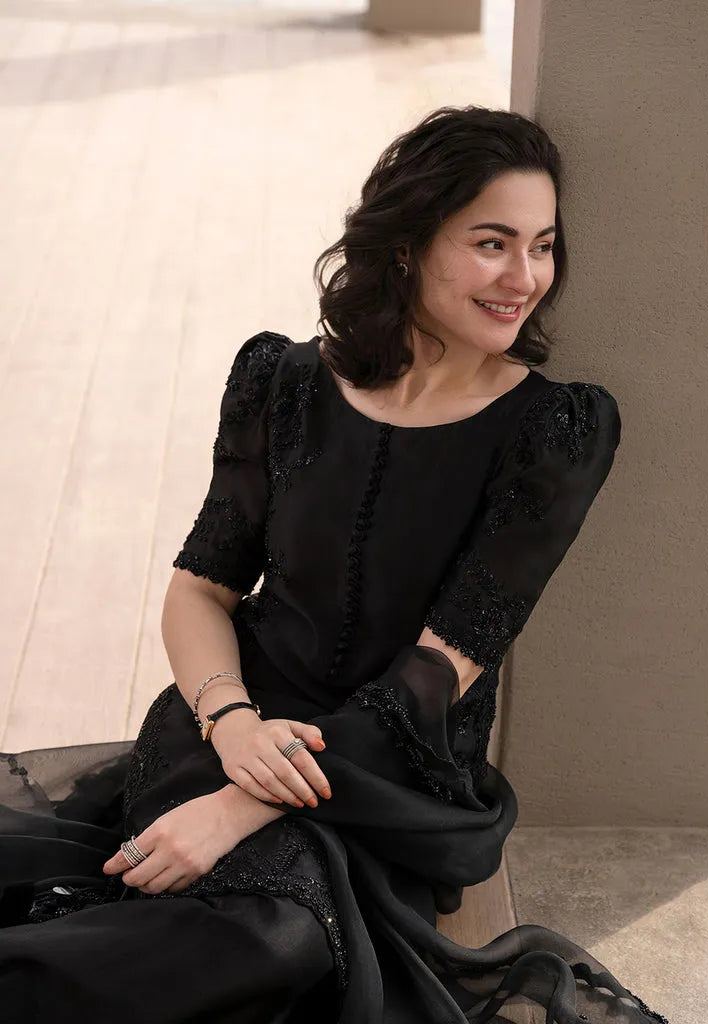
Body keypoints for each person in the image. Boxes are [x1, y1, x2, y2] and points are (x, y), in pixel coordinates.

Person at [0, 105, 669, 1023]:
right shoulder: (281, 380)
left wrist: (240, 806)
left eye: (542, 246)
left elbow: (439, 673)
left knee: (281, 936)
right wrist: (232, 727)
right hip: (231, 722)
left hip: (392, 774)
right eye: (491, 244)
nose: (524, 278)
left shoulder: (556, 430)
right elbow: (201, 590)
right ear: (406, 247)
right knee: (189, 918)